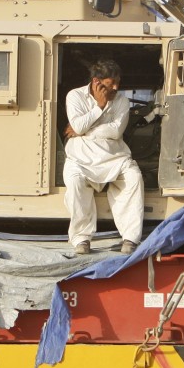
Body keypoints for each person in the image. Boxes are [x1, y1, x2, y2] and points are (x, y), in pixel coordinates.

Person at [63, 59, 143, 255]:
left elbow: (116, 131)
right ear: (96, 81)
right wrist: (99, 106)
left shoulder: (122, 101)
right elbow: (79, 126)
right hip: (81, 158)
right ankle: (82, 239)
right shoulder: (75, 96)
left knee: (134, 177)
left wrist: (85, 130)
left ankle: (130, 238)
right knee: (74, 182)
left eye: (118, 82)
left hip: (115, 158)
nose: (116, 86)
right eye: (111, 83)